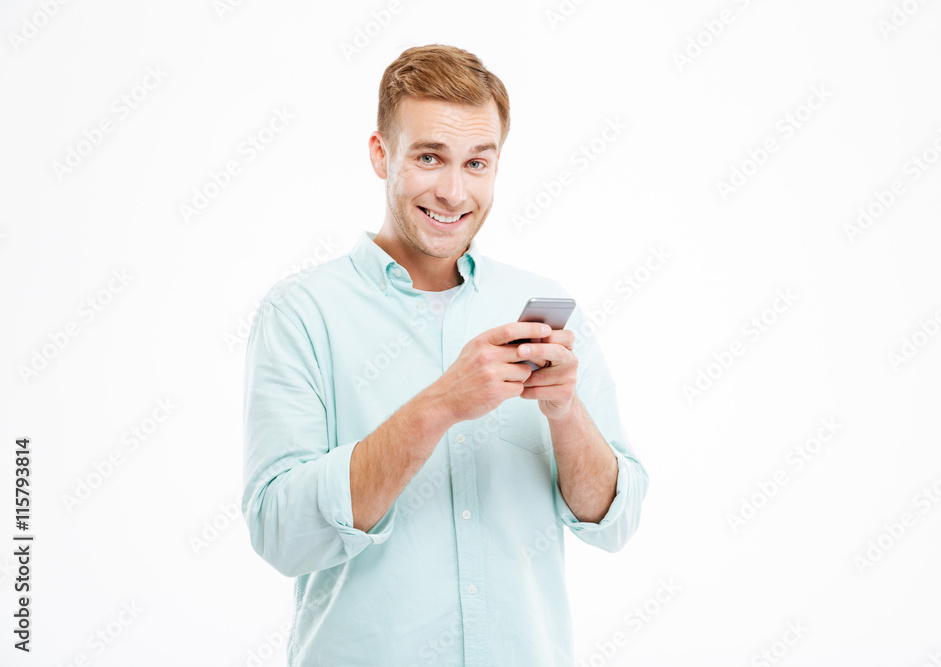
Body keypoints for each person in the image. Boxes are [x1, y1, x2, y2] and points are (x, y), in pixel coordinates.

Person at [242, 43, 649, 666]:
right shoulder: (300, 313)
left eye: (477, 162)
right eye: (429, 157)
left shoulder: (542, 308)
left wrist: (566, 412)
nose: (455, 192)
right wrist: (440, 406)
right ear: (382, 155)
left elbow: (615, 523)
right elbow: (281, 534)